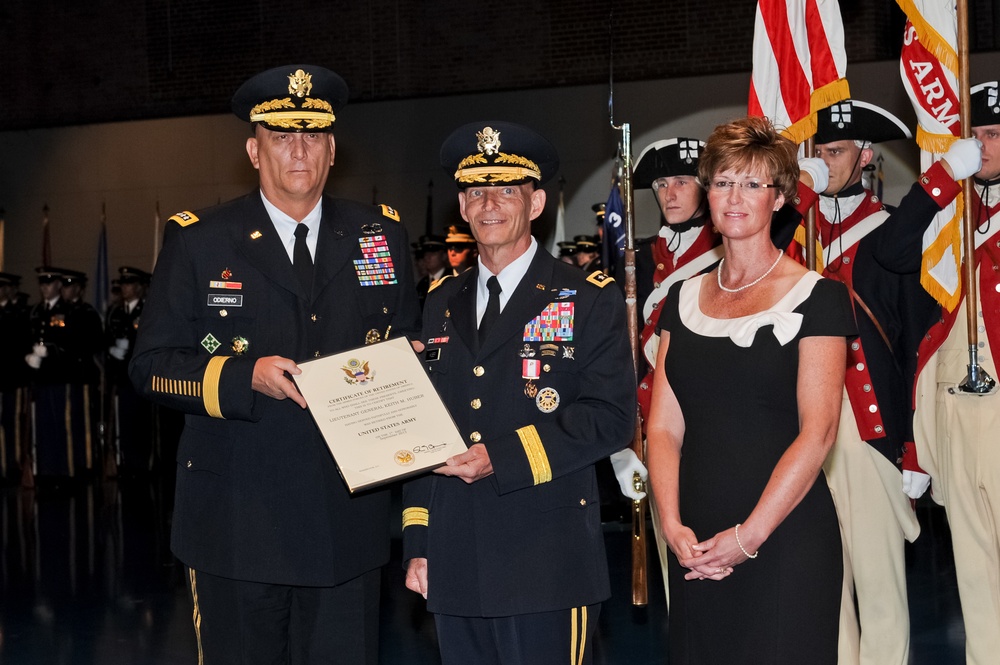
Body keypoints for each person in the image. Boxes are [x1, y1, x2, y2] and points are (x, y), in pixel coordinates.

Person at [129, 64, 421, 665]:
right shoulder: (201, 239)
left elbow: (410, 341)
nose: (298, 150)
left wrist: (410, 364)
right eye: (281, 137)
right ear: (253, 151)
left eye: (311, 136)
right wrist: (244, 376)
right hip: (237, 522)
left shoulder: (380, 235)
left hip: (347, 522)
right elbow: (151, 365)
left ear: (333, 149)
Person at [402, 121, 635, 664]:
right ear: (461, 205)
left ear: (536, 204)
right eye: (477, 191)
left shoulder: (586, 297)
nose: (490, 204)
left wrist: (499, 458)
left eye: (507, 190)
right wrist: (419, 543)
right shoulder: (439, 300)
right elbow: (423, 422)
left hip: (548, 558)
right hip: (455, 556)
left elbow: (610, 417)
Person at [646, 116, 856, 663]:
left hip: (782, 535)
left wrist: (748, 538)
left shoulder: (819, 297)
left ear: (780, 198)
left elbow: (820, 431)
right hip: (693, 536)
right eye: (721, 181)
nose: (733, 197)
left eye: (751, 183)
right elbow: (664, 427)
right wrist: (669, 521)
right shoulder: (683, 297)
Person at [781, 99, 981, 665]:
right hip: (799, 431)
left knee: (879, 584)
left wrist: (914, 451)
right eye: (816, 150)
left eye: (836, 151)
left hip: (868, 431)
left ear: (865, 157)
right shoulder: (795, 235)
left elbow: (917, 347)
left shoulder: (892, 230)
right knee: (822, 586)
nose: (824, 159)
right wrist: (800, 186)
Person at [911, 80, 999, 665]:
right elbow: (896, 255)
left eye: (994, 134)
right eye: (976, 134)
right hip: (952, 409)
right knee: (973, 571)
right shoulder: (951, 219)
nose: (982, 145)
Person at [105, 266, 154, 476]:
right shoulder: (115, 311)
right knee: (123, 421)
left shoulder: (147, 311)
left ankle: (143, 464)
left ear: (139, 287)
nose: (124, 288)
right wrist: (112, 350)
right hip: (121, 375)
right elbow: (106, 337)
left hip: (141, 377)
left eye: (129, 284)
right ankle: (124, 462)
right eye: (123, 284)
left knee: (140, 423)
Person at [0, 272, 30, 484]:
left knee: (13, 423)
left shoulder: (18, 313)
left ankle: (14, 464)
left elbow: (20, 345)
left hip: (13, 379)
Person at [413, 233, 448, 308]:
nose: (427, 257)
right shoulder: (422, 284)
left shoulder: (451, 279)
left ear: (444, 256)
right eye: (426, 253)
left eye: (433, 253)